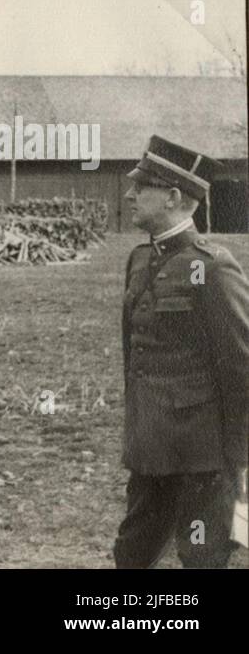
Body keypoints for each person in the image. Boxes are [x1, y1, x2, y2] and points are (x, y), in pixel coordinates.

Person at [113, 135, 249, 569]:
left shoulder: (211, 266)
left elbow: (242, 364)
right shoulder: (138, 260)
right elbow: (134, 362)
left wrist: (239, 462)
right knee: (131, 556)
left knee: (201, 559)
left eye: (142, 188)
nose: (130, 195)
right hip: (151, 450)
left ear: (173, 197)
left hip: (202, 460)